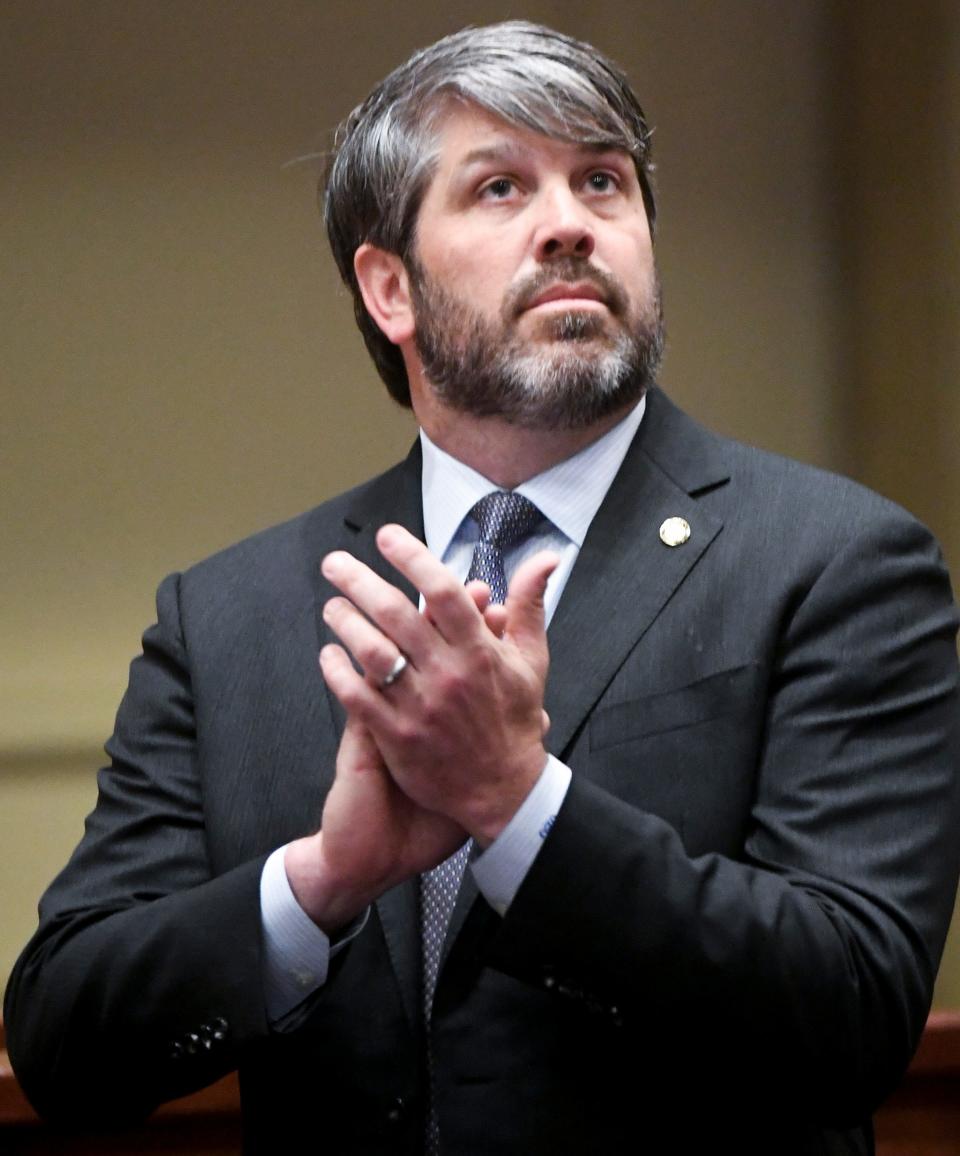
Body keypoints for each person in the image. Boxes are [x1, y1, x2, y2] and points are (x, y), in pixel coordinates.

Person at [5, 20, 960, 1156]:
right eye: (502, 187)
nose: (570, 222)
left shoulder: (838, 561)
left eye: (603, 180)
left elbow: (854, 1010)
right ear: (389, 288)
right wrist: (320, 883)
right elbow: (65, 1039)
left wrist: (519, 807)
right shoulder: (231, 618)